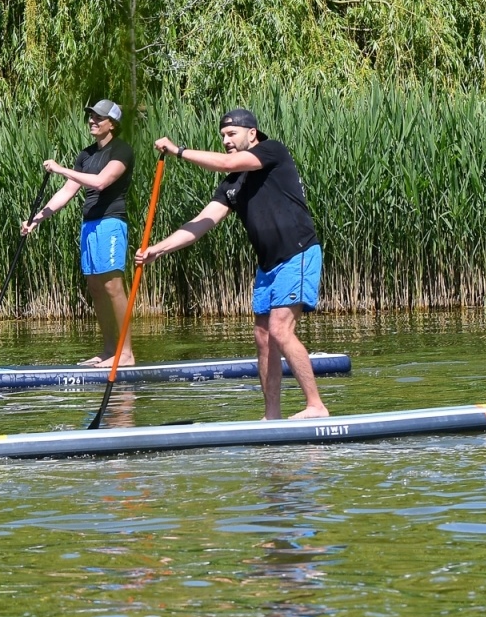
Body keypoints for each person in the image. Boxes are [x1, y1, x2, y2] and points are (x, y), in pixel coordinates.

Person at [140, 109, 329, 420]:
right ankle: (271, 416)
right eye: (223, 136)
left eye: (232, 134)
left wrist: (178, 151)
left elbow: (227, 162)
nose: (226, 140)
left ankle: (316, 406)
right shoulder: (232, 184)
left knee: (280, 329)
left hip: (297, 252)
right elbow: (203, 221)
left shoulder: (272, 151)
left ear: (251, 134)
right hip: (267, 266)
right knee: (263, 337)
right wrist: (158, 249)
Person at [22, 99, 135, 366]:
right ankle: (109, 351)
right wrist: (36, 219)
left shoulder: (121, 150)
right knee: (95, 287)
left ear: (112, 124)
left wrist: (61, 169)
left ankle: (126, 353)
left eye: (98, 117)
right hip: (90, 225)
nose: (92, 121)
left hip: (111, 223)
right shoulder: (86, 155)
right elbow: (67, 191)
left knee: (113, 286)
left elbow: (101, 182)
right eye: (91, 116)